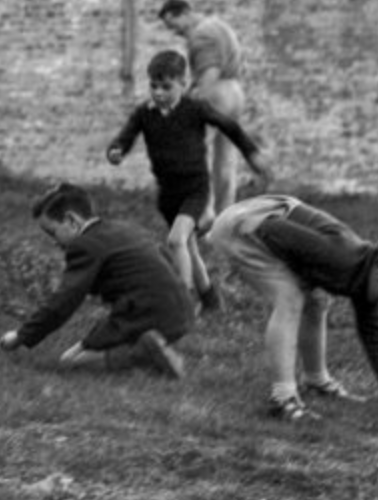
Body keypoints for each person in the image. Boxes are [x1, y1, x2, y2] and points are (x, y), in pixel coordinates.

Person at [203, 195, 378, 422]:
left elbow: (373, 332)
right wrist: (295, 272)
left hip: (261, 222)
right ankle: (283, 398)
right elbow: (272, 230)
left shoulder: (363, 276)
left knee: (316, 301)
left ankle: (316, 380)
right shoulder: (340, 256)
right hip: (244, 226)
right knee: (290, 298)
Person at [108, 49, 274, 312]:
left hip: (194, 190)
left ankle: (182, 304)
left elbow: (229, 126)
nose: (159, 93)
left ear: (182, 85)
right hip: (168, 194)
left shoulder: (194, 109)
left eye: (166, 87)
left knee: (176, 241)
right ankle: (210, 299)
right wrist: (116, 150)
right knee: (188, 248)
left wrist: (252, 154)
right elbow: (125, 137)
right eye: (154, 86)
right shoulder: (144, 113)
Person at [0, 182, 193, 379]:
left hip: (146, 313)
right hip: (181, 310)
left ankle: (142, 353)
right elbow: (164, 259)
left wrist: (21, 336)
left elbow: (64, 300)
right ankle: (152, 352)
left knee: (70, 362)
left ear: (71, 221)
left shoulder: (84, 246)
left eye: (52, 232)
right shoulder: (122, 228)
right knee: (77, 353)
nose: (54, 242)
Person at [157, 0, 250, 216]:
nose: (175, 32)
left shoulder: (200, 35)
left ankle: (202, 214)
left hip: (217, 93)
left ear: (184, 13)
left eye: (174, 25)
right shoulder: (219, 26)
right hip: (235, 92)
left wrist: (194, 105)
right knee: (225, 160)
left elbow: (210, 71)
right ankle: (226, 217)